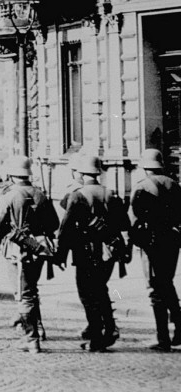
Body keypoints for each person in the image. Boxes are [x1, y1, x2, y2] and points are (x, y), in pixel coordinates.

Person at [55, 154, 130, 351]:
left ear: (80, 172)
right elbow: (124, 224)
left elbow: (66, 228)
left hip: (86, 252)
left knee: (87, 294)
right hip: (109, 252)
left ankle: (97, 337)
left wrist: (60, 254)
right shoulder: (110, 194)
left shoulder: (78, 195)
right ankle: (110, 328)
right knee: (101, 289)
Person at [0, 156, 59, 354]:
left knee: (23, 294)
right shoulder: (40, 194)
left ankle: (31, 339)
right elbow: (54, 224)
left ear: (11, 174)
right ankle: (38, 328)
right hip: (39, 250)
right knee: (31, 290)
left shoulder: (8, 196)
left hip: (18, 251)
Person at [130, 148, 181, 351]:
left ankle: (163, 338)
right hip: (172, 241)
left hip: (151, 243)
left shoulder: (142, 187)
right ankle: (179, 326)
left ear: (144, 167)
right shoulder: (175, 185)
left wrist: (134, 243)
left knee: (155, 289)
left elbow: (133, 218)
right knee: (167, 283)